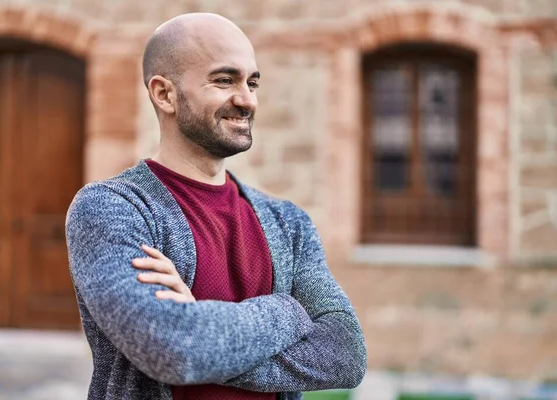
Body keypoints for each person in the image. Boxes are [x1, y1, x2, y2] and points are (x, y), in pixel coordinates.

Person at [65, 12, 367, 400]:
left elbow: (346, 355)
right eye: (225, 80)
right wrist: (287, 310)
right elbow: (173, 352)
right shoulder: (114, 209)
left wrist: (201, 323)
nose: (246, 100)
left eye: (252, 82)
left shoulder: (289, 224)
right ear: (165, 94)